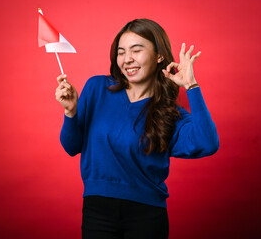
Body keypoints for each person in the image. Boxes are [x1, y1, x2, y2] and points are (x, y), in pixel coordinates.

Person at [55, 19, 219, 239]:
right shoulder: (97, 88)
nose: (127, 59)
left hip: (147, 215)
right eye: (121, 52)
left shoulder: (168, 111)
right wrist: (71, 112)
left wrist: (191, 85)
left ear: (159, 56)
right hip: (97, 210)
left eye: (136, 50)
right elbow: (72, 146)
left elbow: (207, 144)